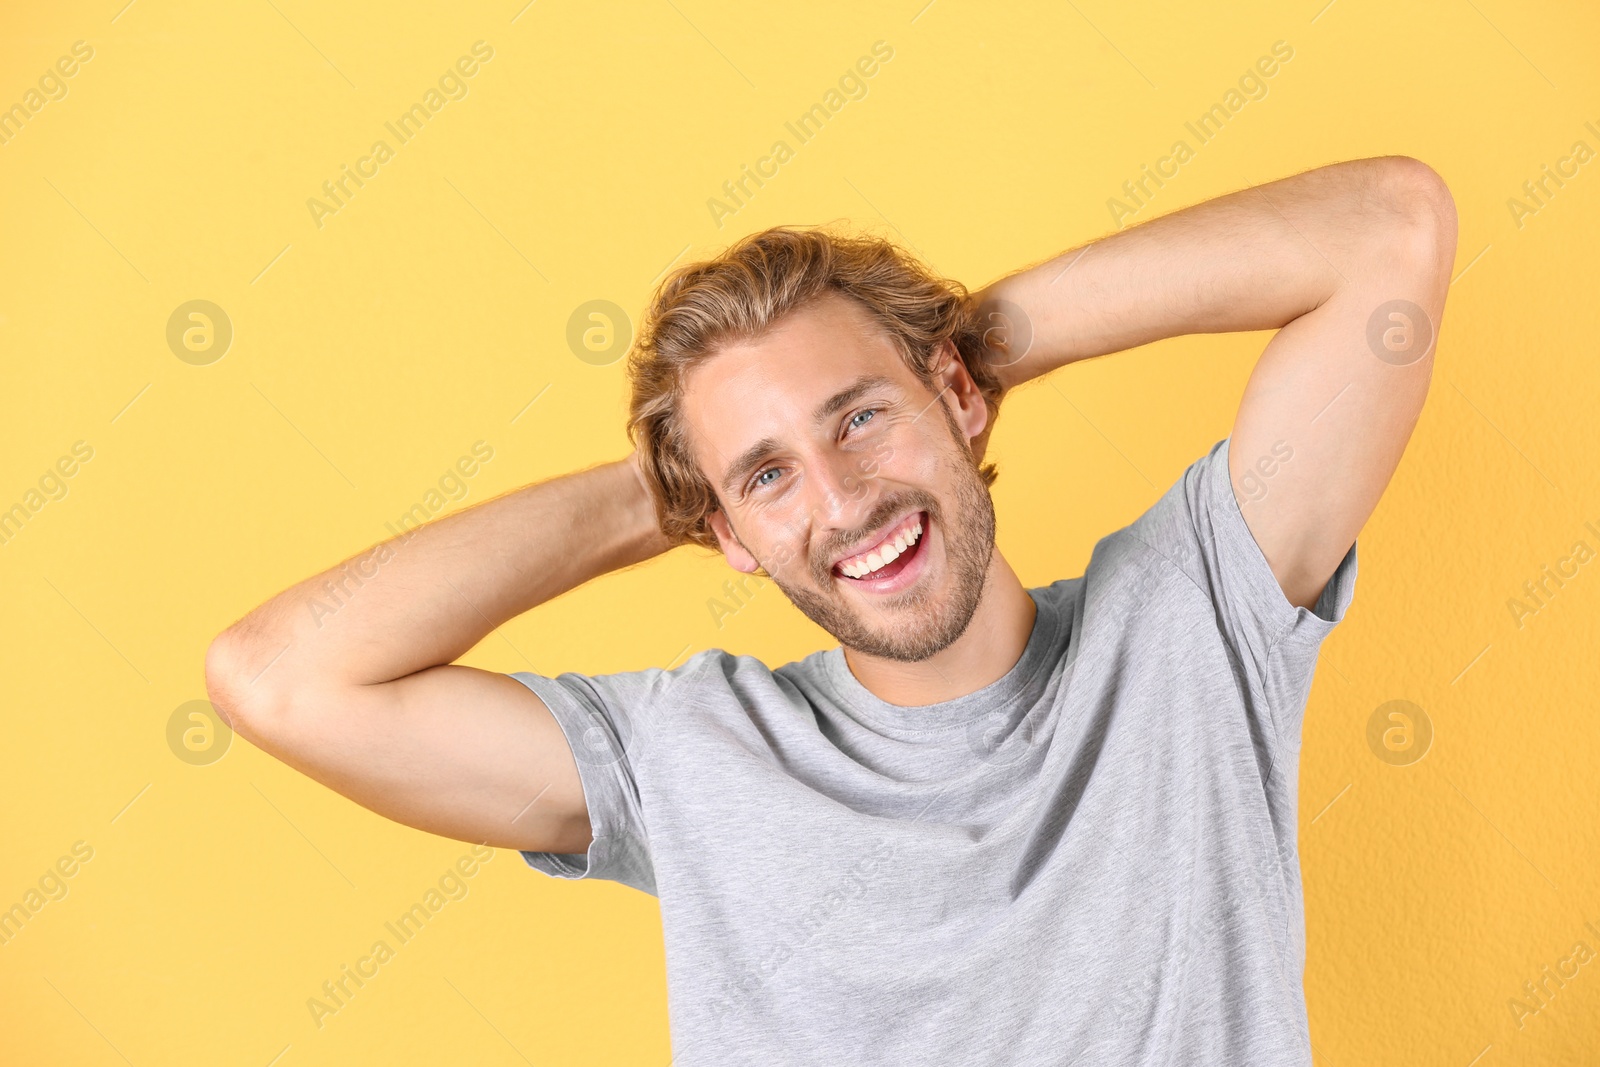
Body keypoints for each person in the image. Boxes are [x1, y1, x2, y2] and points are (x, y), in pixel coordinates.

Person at [205, 155, 1456, 1065]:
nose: (844, 499)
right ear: (726, 537)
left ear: (960, 399)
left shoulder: (1192, 620)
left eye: (861, 415)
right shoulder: (691, 756)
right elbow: (279, 676)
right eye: (768, 474)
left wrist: (965, 341)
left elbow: (1388, 232)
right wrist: (678, 492)